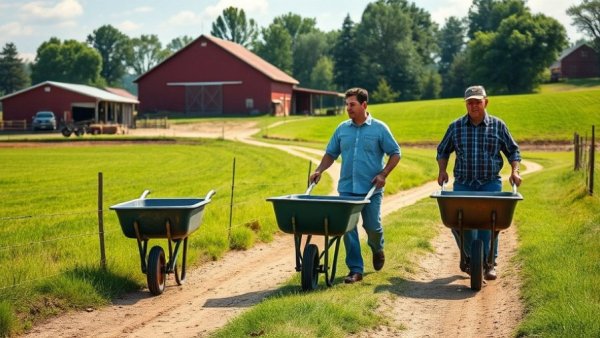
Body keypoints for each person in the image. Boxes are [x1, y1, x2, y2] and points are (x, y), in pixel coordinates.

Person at [309, 87, 401, 284]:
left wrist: (383, 174)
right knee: (348, 230)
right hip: (347, 190)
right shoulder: (342, 129)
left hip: (371, 190)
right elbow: (331, 154)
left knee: (372, 226)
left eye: (352, 104)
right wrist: (319, 170)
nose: (348, 108)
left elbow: (395, 153)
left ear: (364, 105)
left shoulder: (379, 128)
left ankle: (377, 248)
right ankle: (355, 270)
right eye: (347, 105)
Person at [436, 85, 522, 281]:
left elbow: (513, 151)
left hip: (489, 183)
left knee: (489, 224)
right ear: (465, 104)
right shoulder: (455, 127)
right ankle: (470, 259)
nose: (474, 105)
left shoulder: (498, 126)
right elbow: (442, 150)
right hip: (463, 184)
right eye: (470, 102)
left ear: (486, 102)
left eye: (477, 101)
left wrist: (515, 171)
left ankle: (489, 263)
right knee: (460, 224)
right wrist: (442, 170)